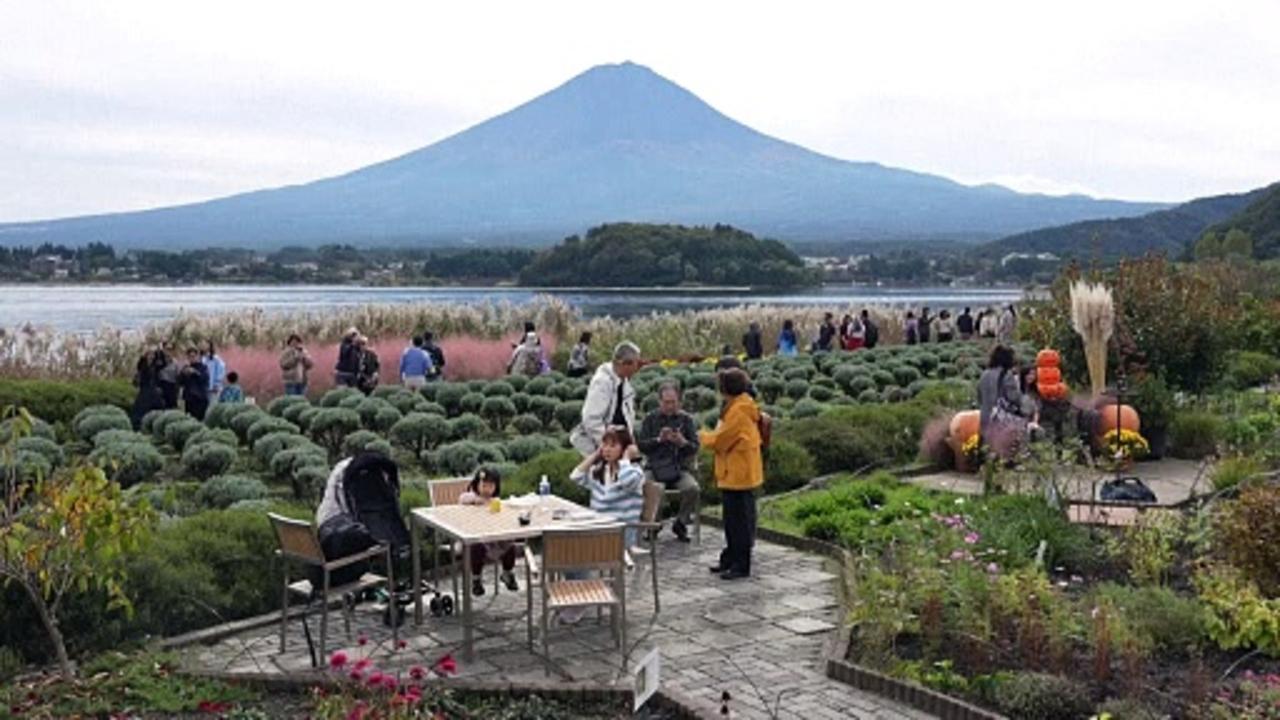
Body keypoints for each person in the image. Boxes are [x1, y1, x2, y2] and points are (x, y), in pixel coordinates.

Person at [700, 368, 763, 581]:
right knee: (732, 521)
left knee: (739, 523)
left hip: (739, 475)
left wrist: (701, 437)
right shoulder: (739, 405)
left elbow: (721, 440)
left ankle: (740, 565)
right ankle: (730, 558)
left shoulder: (738, 411)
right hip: (736, 473)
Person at [635, 381, 700, 543]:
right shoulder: (651, 419)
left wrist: (682, 442)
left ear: (679, 401)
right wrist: (659, 440)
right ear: (659, 401)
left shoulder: (686, 420)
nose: (670, 406)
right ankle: (653, 526)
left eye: (673, 402)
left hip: (679, 468)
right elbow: (641, 446)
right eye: (666, 402)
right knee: (652, 487)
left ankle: (681, 523)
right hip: (655, 467)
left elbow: (694, 448)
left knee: (693, 488)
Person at [570, 342, 640, 456]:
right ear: (624, 364)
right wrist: (609, 445)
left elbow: (627, 416)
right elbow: (591, 419)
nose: (637, 368)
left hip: (616, 446)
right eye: (636, 364)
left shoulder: (624, 382)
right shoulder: (602, 382)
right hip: (594, 447)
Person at [458, 468, 519, 595]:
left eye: (491, 486)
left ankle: (507, 573)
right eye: (484, 485)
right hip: (473, 538)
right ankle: (476, 579)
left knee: (510, 545)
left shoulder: (495, 501)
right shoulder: (471, 497)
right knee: (476, 547)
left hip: (494, 539)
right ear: (476, 485)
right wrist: (476, 499)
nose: (487, 489)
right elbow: (463, 498)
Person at [977, 345, 1026, 449]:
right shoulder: (1006, 375)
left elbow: (979, 397)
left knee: (988, 449)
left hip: (985, 418)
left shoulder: (984, 374)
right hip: (1001, 421)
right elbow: (1014, 397)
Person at [130, 349, 166, 429]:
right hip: (145, 390)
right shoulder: (143, 366)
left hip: (153, 391)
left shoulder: (155, 366)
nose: (151, 356)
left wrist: (160, 351)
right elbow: (139, 367)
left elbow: (163, 363)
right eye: (149, 354)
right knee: (141, 409)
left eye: (153, 355)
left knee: (157, 408)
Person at [178, 347, 211, 420]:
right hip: (189, 399)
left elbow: (204, 379)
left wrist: (195, 373)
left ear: (197, 356)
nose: (192, 358)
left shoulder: (203, 367)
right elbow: (180, 382)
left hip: (200, 398)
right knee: (189, 419)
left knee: (199, 419)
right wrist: (183, 373)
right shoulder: (185, 368)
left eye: (193, 356)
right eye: (190, 357)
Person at [157, 342, 179, 409]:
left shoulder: (175, 362)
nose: (169, 351)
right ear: (163, 349)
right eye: (167, 349)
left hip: (172, 388)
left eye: (171, 349)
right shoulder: (158, 361)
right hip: (161, 387)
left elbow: (177, 377)